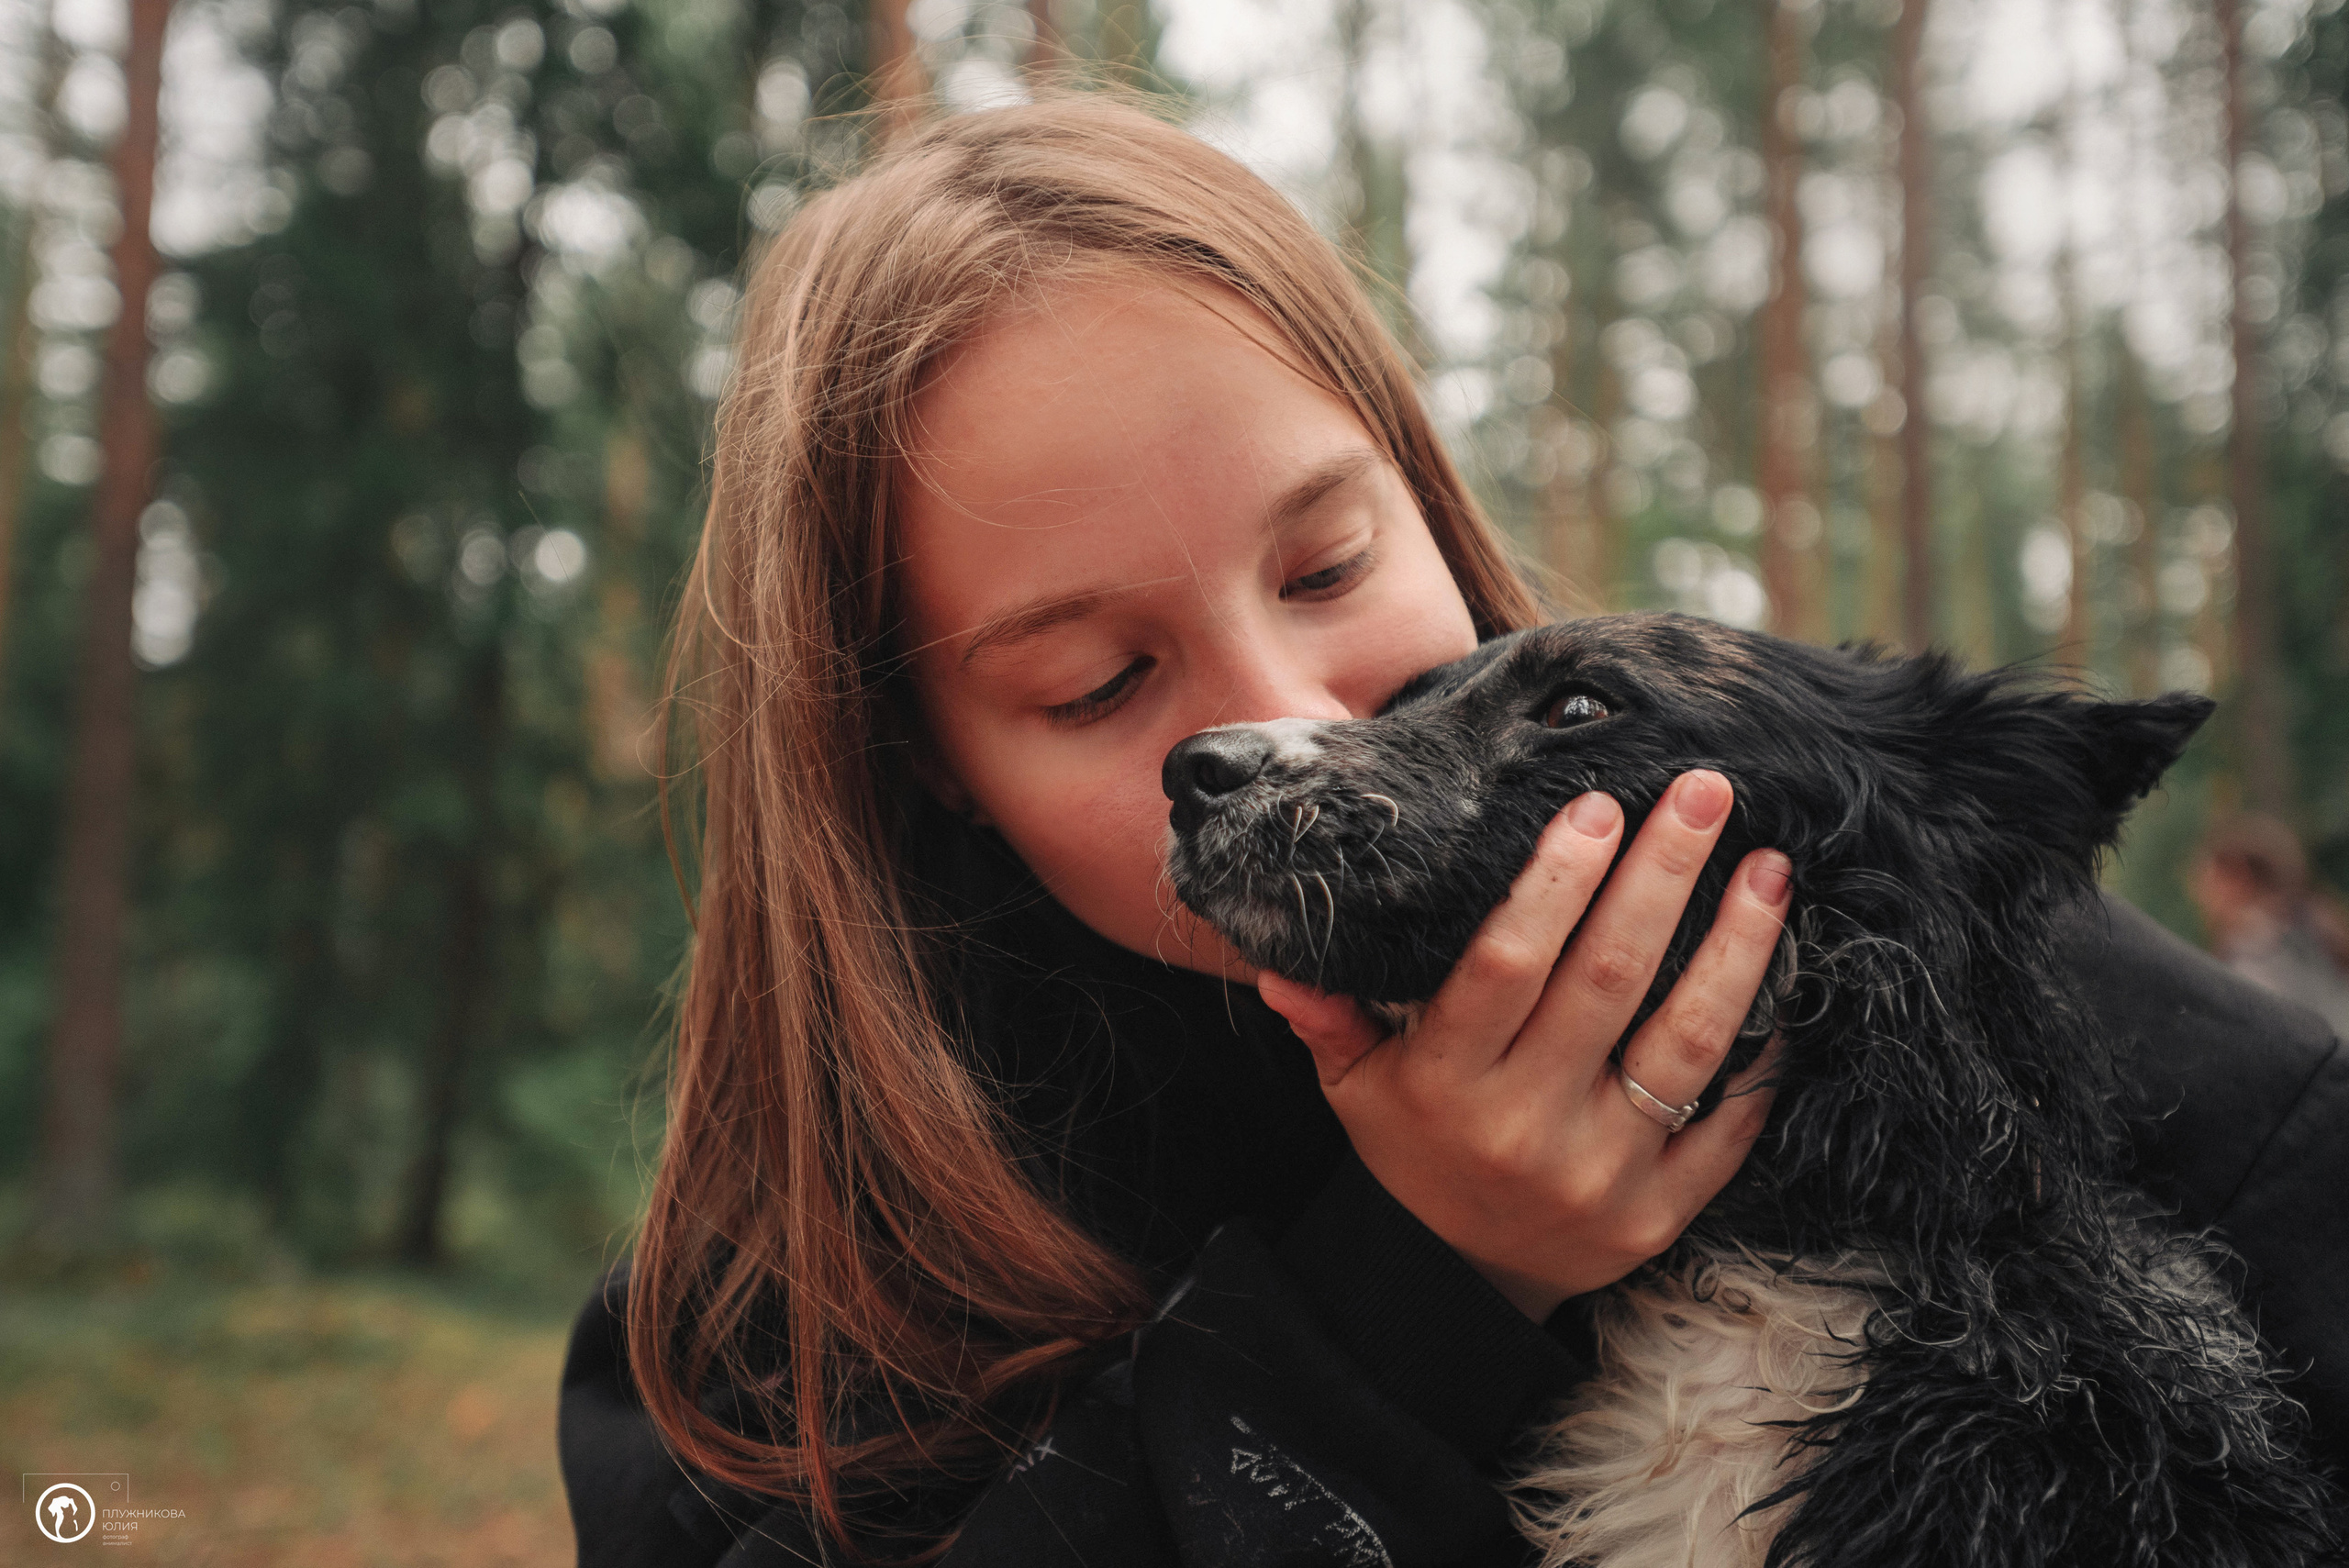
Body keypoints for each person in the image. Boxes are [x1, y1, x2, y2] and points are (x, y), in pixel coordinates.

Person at [558, 95, 2349, 1566]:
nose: (1291, 713)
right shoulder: (762, 1338)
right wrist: (1412, 1285)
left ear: (1421, 484)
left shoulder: (1915, 924)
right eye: (1098, 678)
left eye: (1329, 562)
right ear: (919, 755)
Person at [2190, 814, 2349, 1040]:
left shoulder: (2251, 951)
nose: (2201, 898)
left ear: (2238, 875)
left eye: (2208, 878)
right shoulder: (2315, 926)